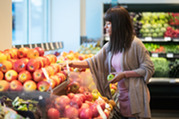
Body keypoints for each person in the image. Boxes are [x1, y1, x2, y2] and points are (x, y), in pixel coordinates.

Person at [61, 6, 154, 119]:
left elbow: (148, 68)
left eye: (108, 24)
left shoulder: (136, 44)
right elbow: (93, 61)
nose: (105, 27)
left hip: (135, 96)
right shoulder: (111, 45)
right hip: (121, 96)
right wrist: (70, 63)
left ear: (118, 25)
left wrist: (124, 74)